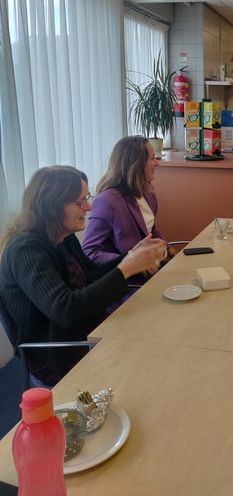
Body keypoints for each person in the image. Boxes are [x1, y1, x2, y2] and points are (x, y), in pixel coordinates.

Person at [0, 165, 167, 387]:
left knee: (158, 341)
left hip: (83, 336)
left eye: (86, 198)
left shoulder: (62, 237)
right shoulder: (26, 250)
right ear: (52, 206)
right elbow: (65, 309)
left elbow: (91, 274)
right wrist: (126, 268)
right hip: (56, 357)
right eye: (80, 202)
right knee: (151, 363)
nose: (88, 207)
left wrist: (131, 257)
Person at [82, 135, 171, 267]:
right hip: (128, 280)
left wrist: (168, 249)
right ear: (136, 164)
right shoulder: (107, 201)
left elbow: (149, 228)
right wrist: (130, 262)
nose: (157, 162)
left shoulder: (147, 192)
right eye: (152, 158)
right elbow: (89, 252)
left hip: (151, 270)